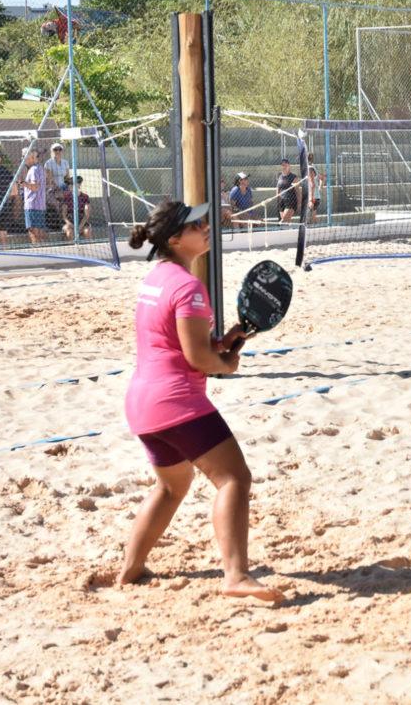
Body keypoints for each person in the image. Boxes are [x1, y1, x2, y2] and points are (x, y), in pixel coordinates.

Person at [120, 199, 281, 603]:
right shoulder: (189, 287)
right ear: (175, 239)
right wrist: (224, 362)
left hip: (143, 404)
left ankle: (131, 568)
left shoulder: (156, 277)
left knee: (173, 487)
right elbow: (197, 359)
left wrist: (219, 344)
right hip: (177, 403)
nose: (207, 227)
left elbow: (172, 340)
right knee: (234, 479)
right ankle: (236, 577)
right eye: (197, 225)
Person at [21, 147, 48, 244]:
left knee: (33, 232)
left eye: (24, 156)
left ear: (31, 157)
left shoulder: (33, 170)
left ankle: (37, 250)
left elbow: (35, 187)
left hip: (32, 205)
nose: (22, 159)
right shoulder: (40, 168)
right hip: (40, 205)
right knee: (40, 231)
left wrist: (23, 183)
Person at [43, 142, 72, 222]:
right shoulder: (48, 163)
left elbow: (67, 178)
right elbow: (50, 180)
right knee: (58, 202)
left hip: (63, 187)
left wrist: (69, 187)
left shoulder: (65, 162)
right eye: (55, 149)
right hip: (52, 188)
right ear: (52, 151)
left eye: (60, 149)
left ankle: (67, 220)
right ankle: (61, 220)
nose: (58, 151)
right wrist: (59, 189)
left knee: (71, 197)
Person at [61, 175, 92, 240]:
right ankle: (72, 248)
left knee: (87, 231)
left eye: (73, 184)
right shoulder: (66, 197)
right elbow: (64, 216)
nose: (70, 186)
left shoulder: (85, 197)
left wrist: (80, 226)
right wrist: (72, 225)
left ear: (79, 185)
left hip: (82, 222)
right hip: (69, 222)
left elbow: (87, 215)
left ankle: (89, 247)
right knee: (69, 232)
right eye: (70, 184)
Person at [275, 158, 300, 223]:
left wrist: (299, 203)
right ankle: (291, 231)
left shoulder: (294, 177)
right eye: (282, 165)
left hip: (291, 201)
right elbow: (278, 189)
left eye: (285, 165)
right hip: (281, 201)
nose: (284, 167)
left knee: (283, 220)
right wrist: (277, 201)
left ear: (289, 166)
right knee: (287, 221)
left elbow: (298, 191)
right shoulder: (280, 176)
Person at [306, 155, 322, 224]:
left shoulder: (309, 169)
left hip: (312, 197)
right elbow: (322, 178)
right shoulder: (313, 167)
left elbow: (312, 185)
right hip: (316, 196)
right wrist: (320, 188)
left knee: (310, 219)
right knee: (313, 218)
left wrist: (310, 199)